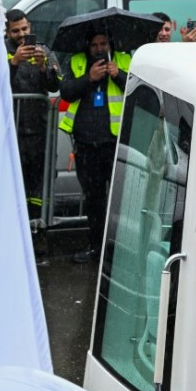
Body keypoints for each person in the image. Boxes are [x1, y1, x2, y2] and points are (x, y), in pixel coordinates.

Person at [59, 28, 132, 264]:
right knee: (94, 200)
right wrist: (89, 78)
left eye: (103, 44)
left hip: (115, 143)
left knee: (119, 200)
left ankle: (118, 251)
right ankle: (96, 249)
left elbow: (137, 90)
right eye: (95, 45)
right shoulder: (78, 62)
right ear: (88, 47)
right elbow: (67, 93)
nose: (100, 49)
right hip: (86, 144)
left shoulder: (124, 59)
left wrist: (118, 75)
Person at [5, 9, 61, 255]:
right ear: (7, 31)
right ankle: (12, 237)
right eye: (16, 31)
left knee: (37, 185)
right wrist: (14, 63)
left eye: (25, 29)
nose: (21, 35)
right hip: (10, 131)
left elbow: (56, 84)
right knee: (11, 185)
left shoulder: (43, 50)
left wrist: (43, 68)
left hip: (38, 129)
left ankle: (38, 232)